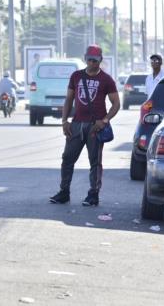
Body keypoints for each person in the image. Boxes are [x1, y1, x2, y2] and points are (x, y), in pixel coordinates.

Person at [49, 45, 120, 207]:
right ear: (85, 59)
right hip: (76, 124)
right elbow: (68, 99)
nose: (92, 63)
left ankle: (93, 194)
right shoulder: (76, 76)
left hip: (95, 126)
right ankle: (64, 192)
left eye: (95, 60)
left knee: (95, 162)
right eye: (89, 59)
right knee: (67, 158)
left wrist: (104, 121)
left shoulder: (106, 80)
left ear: (100, 60)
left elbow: (116, 103)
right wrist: (64, 121)